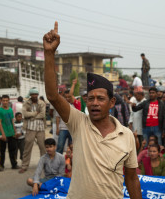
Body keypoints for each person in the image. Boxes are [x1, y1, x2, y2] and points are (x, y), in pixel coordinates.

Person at [43, 21, 142, 199]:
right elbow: (53, 96)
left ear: (112, 102)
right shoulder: (78, 123)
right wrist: (49, 53)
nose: (94, 103)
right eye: (90, 98)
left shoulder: (126, 135)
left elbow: (132, 179)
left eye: (100, 99)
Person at [19, 88, 46, 173]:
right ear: (30, 95)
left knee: (43, 147)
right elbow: (25, 114)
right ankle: (24, 166)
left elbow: (42, 114)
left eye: (36, 94)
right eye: (33, 94)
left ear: (38, 95)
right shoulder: (26, 103)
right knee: (27, 147)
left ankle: (44, 165)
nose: (34, 96)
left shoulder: (41, 103)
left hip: (40, 128)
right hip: (30, 128)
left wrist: (31, 116)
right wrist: (35, 113)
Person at [0, 95, 18, 171]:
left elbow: (12, 121)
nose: (5, 102)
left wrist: (15, 131)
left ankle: (14, 164)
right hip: (3, 133)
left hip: (11, 133)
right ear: (1, 101)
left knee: (12, 150)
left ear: (9, 101)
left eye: (6, 100)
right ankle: (1, 165)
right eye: (3, 100)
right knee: (2, 151)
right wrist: (3, 134)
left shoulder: (10, 110)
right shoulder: (0, 111)